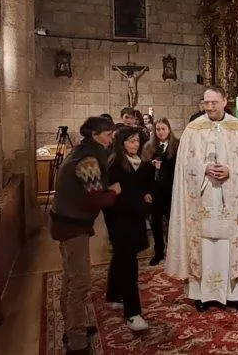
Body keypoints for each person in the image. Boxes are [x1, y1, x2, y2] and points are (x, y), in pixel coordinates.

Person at [166, 87, 238, 312]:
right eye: (206, 102)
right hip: (203, 200)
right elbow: (184, 167)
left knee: (229, 245)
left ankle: (236, 294)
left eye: (214, 102)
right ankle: (202, 294)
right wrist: (204, 168)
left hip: (232, 202)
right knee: (204, 244)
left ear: (225, 101)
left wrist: (230, 170)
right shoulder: (193, 129)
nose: (209, 107)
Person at [49, 117, 121, 355]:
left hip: (66, 221)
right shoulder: (88, 160)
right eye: (108, 135)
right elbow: (93, 198)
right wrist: (113, 191)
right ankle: (77, 342)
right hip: (73, 226)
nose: (111, 139)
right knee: (79, 283)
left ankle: (73, 327)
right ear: (96, 135)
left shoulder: (81, 152)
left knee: (71, 278)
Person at [103, 127, 153, 331]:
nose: (135, 145)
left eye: (137, 141)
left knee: (122, 258)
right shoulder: (115, 164)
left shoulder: (136, 163)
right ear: (121, 143)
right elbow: (119, 197)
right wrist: (143, 204)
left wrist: (147, 195)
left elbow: (138, 188)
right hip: (121, 220)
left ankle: (114, 296)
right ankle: (133, 314)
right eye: (131, 141)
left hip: (133, 218)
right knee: (129, 266)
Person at [141, 118, 178, 266]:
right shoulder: (149, 147)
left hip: (171, 190)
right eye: (158, 129)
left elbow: (179, 169)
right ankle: (158, 252)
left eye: (163, 129)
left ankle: (174, 252)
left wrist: (163, 167)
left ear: (169, 129)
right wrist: (146, 191)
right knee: (155, 223)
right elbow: (143, 172)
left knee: (173, 223)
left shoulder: (177, 145)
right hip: (155, 191)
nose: (161, 132)